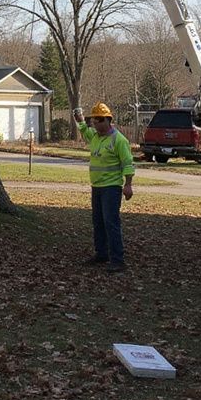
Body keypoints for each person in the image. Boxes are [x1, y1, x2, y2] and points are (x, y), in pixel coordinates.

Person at [74, 102, 135, 272]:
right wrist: (80, 120)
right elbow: (85, 132)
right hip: (97, 186)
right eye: (94, 120)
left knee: (111, 222)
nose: (96, 124)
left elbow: (128, 164)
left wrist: (128, 185)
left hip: (112, 187)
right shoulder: (95, 136)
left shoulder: (119, 140)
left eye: (99, 120)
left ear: (108, 120)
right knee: (98, 222)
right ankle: (101, 254)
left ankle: (118, 259)